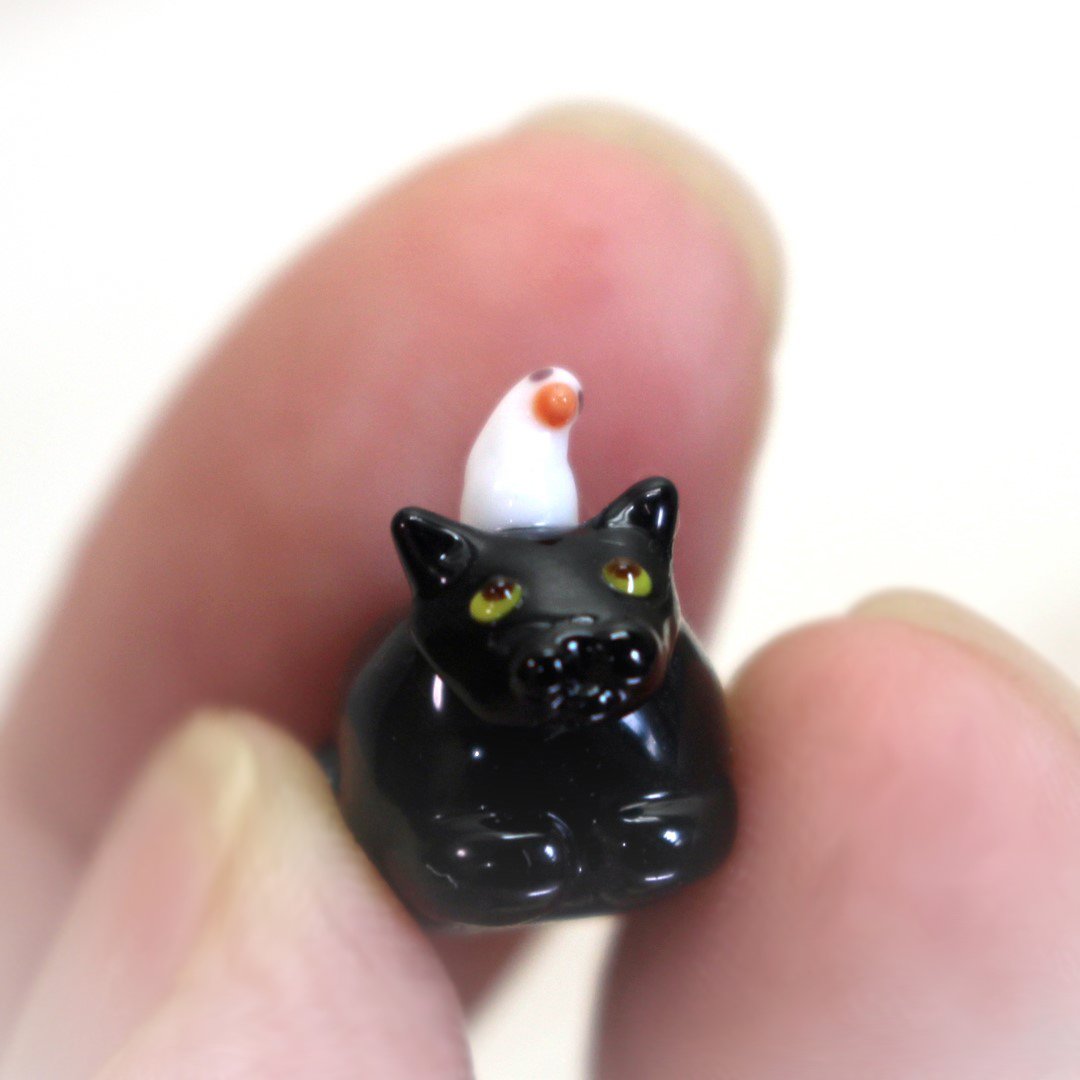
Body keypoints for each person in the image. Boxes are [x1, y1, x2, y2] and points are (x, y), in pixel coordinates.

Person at [1, 105, 1078, 1079]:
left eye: (623, 579)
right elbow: (405, 828)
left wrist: (654, 826)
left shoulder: (668, 690)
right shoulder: (413, 696)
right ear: (442, 589)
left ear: (648, 565)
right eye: (495, 604)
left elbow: (696, 812)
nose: (579, 630)